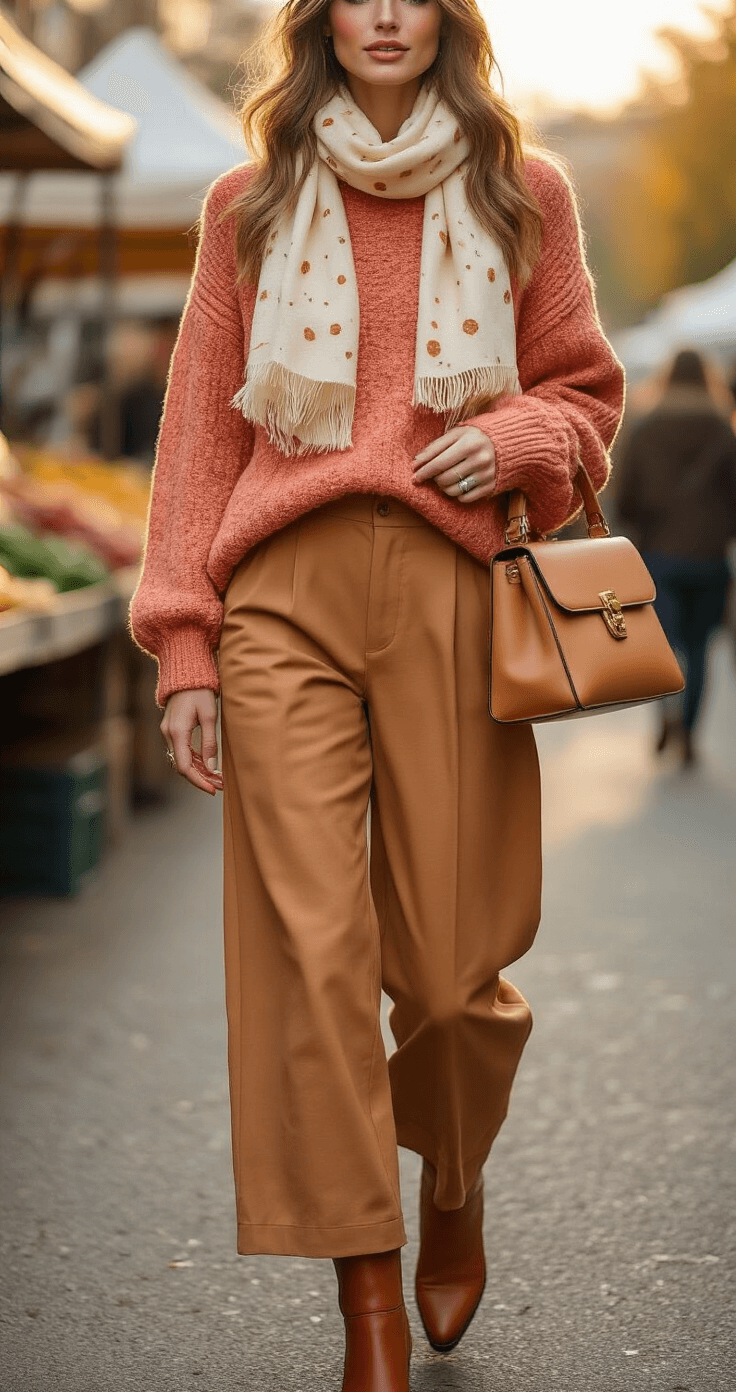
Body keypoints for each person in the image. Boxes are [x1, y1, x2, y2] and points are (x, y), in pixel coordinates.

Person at [129, 2, 624, 1386]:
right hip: (280, 600)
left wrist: (515, 435)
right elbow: (198, 433)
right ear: (325, 19)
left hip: (454, 594)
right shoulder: (248, 202)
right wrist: (184, 649)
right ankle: (367, 1307)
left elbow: (586, 395)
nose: (388, 13)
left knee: (456, 979)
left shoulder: (525, 191)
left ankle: (451, 1176)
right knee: (311, 958)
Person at [616, 348, 736, 765]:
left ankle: (666, 715)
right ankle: (688, 731)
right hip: (709, 558)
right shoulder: (723, 430)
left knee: (662, 647)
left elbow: (626, 498)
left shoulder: (646, 428)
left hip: (659, 557)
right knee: (699, 648)